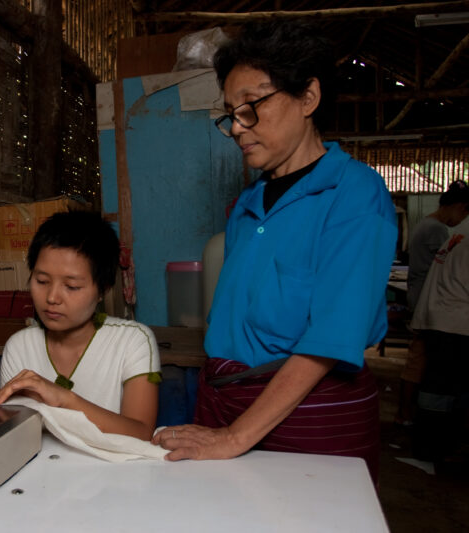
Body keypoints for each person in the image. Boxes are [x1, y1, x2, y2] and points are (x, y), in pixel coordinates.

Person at [152, 20, 397, 482]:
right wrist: (224, 426)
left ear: (308, 97)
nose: (239, 128)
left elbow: (329, 340)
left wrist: (234, 437)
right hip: (225, 396)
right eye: (231, 113)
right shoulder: (249, 202)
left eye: (253, 107)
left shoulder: (354, 194)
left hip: (308, 414)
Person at [0, 211, 161, 441]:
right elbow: (16, 432)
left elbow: (140, 433)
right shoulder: (20, 346)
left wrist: (64, 399)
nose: (52, 297)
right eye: (41, 281)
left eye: (71, 286)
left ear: (103, 289)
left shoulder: (133, 341)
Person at [396, 180, 469, 425]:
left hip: (425, 303)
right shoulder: (439, 230)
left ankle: (409, 415)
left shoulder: (429, 226)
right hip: (437, 307)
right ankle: (413, 417)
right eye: (465, 210)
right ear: (458, 205)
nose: (463, 217)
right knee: (426, 368)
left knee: (421, 364)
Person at [410, 232, 469, 464]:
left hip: (441, 320)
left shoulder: (458, 236)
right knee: (446, 390)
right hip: (458, 325)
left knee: (437, 388)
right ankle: (436, 447)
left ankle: (427, 445)